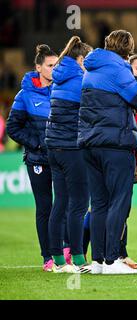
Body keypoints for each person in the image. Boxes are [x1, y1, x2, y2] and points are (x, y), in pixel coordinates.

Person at [79, 30, 137, 275]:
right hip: (115, 144)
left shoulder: (91, 68)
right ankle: (112, 260)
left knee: (98, 203)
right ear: (128, 50)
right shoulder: (119, 69)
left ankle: (98, 261)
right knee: (118, 201)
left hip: (90, 144)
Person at [6, 44, 58, 272]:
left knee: (65, 206)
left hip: (62, 158)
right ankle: (47, 257)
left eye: (57, 65)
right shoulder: (25, 95)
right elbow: (12, 128)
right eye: (50, 65)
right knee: (45, 207)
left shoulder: (62, 91)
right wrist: (36, 143)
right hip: (37, 159)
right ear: (38, 67)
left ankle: (65, 252)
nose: (54, 69)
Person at [45, 36, 92, 273]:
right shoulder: (81, 80)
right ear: (81, 59)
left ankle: (58, 261)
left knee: (60, 203)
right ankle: (79, 259)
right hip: (73, 149)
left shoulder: (59, 78)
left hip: (54, 147)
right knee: (79, 204)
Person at [114, 54, 137, 270]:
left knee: (123, 207)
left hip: (129, 154)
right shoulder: (118, 93)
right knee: (107, 205)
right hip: (111, 151)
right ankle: (83, 250)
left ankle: (120, 253)